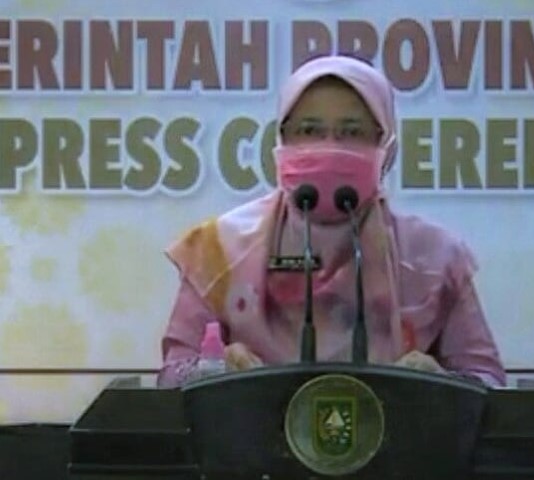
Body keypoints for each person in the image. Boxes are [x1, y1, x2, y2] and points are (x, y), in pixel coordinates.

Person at [157, 55, 506, 388]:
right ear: (281, 139)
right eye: (309, 130)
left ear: (386, 145)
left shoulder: (436, 257)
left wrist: (440, 381)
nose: (329, 146)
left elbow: (487, 381)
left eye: (351, 132)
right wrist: (214, 370)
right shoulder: (218, 250)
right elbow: (171, 379)